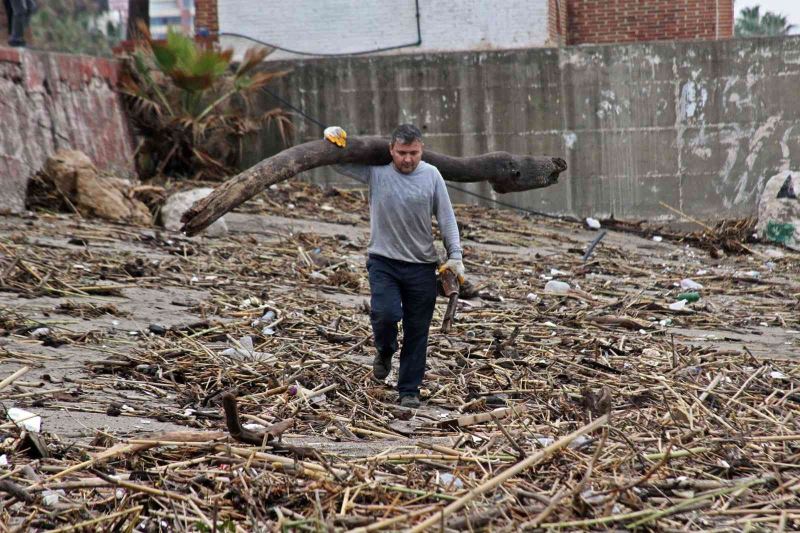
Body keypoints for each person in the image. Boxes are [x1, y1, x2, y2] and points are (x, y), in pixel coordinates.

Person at [326, 124, 464, 409]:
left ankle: (409, 390)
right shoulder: (377, 172)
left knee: (417, 330)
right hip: (383, 261)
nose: (407, 159)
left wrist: (456, 256)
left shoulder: (432, 176)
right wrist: (333, 137)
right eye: (402, 153)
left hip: (422, 265)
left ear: (421, 150)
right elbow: (340, 164)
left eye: (413, 153)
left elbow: (447, 218)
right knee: (386, 313)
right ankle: (385, 348)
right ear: (391, 150)